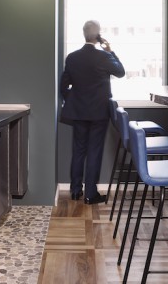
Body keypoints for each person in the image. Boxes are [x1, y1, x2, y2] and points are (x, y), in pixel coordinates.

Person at [60, 20, 125, 204]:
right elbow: (120, 72)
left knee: (78, 151)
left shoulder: (72, 57)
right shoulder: (104, 57)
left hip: (78, 112)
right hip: (99, 112)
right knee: (94, 151)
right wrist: (110, 51)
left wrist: (73, 100)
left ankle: (74, 191)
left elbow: (64, 86)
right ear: (98, 36)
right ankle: (90, 194)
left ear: (84, 34)